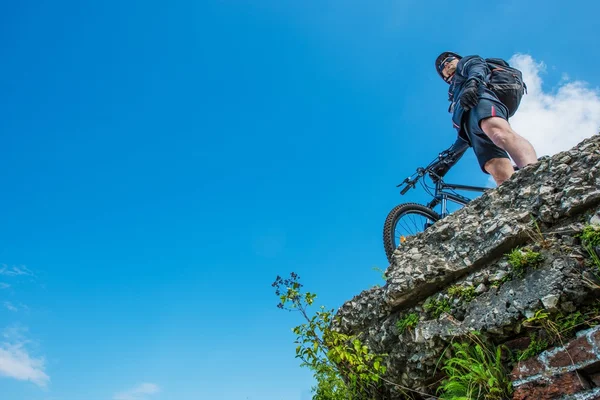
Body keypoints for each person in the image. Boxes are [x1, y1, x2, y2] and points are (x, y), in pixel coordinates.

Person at [434, 52, 538, 185]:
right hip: (469, 122)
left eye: (449, 60)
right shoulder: (454, 94)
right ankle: (513, 194)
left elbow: (477, 66)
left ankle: (535, 173)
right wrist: (448, 162)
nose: (446, 64)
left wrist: (473, 84)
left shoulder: (466, 63)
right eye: (443, 66)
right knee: (491, 162)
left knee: (498, 132)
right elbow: (463, 139)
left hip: (480, 98)